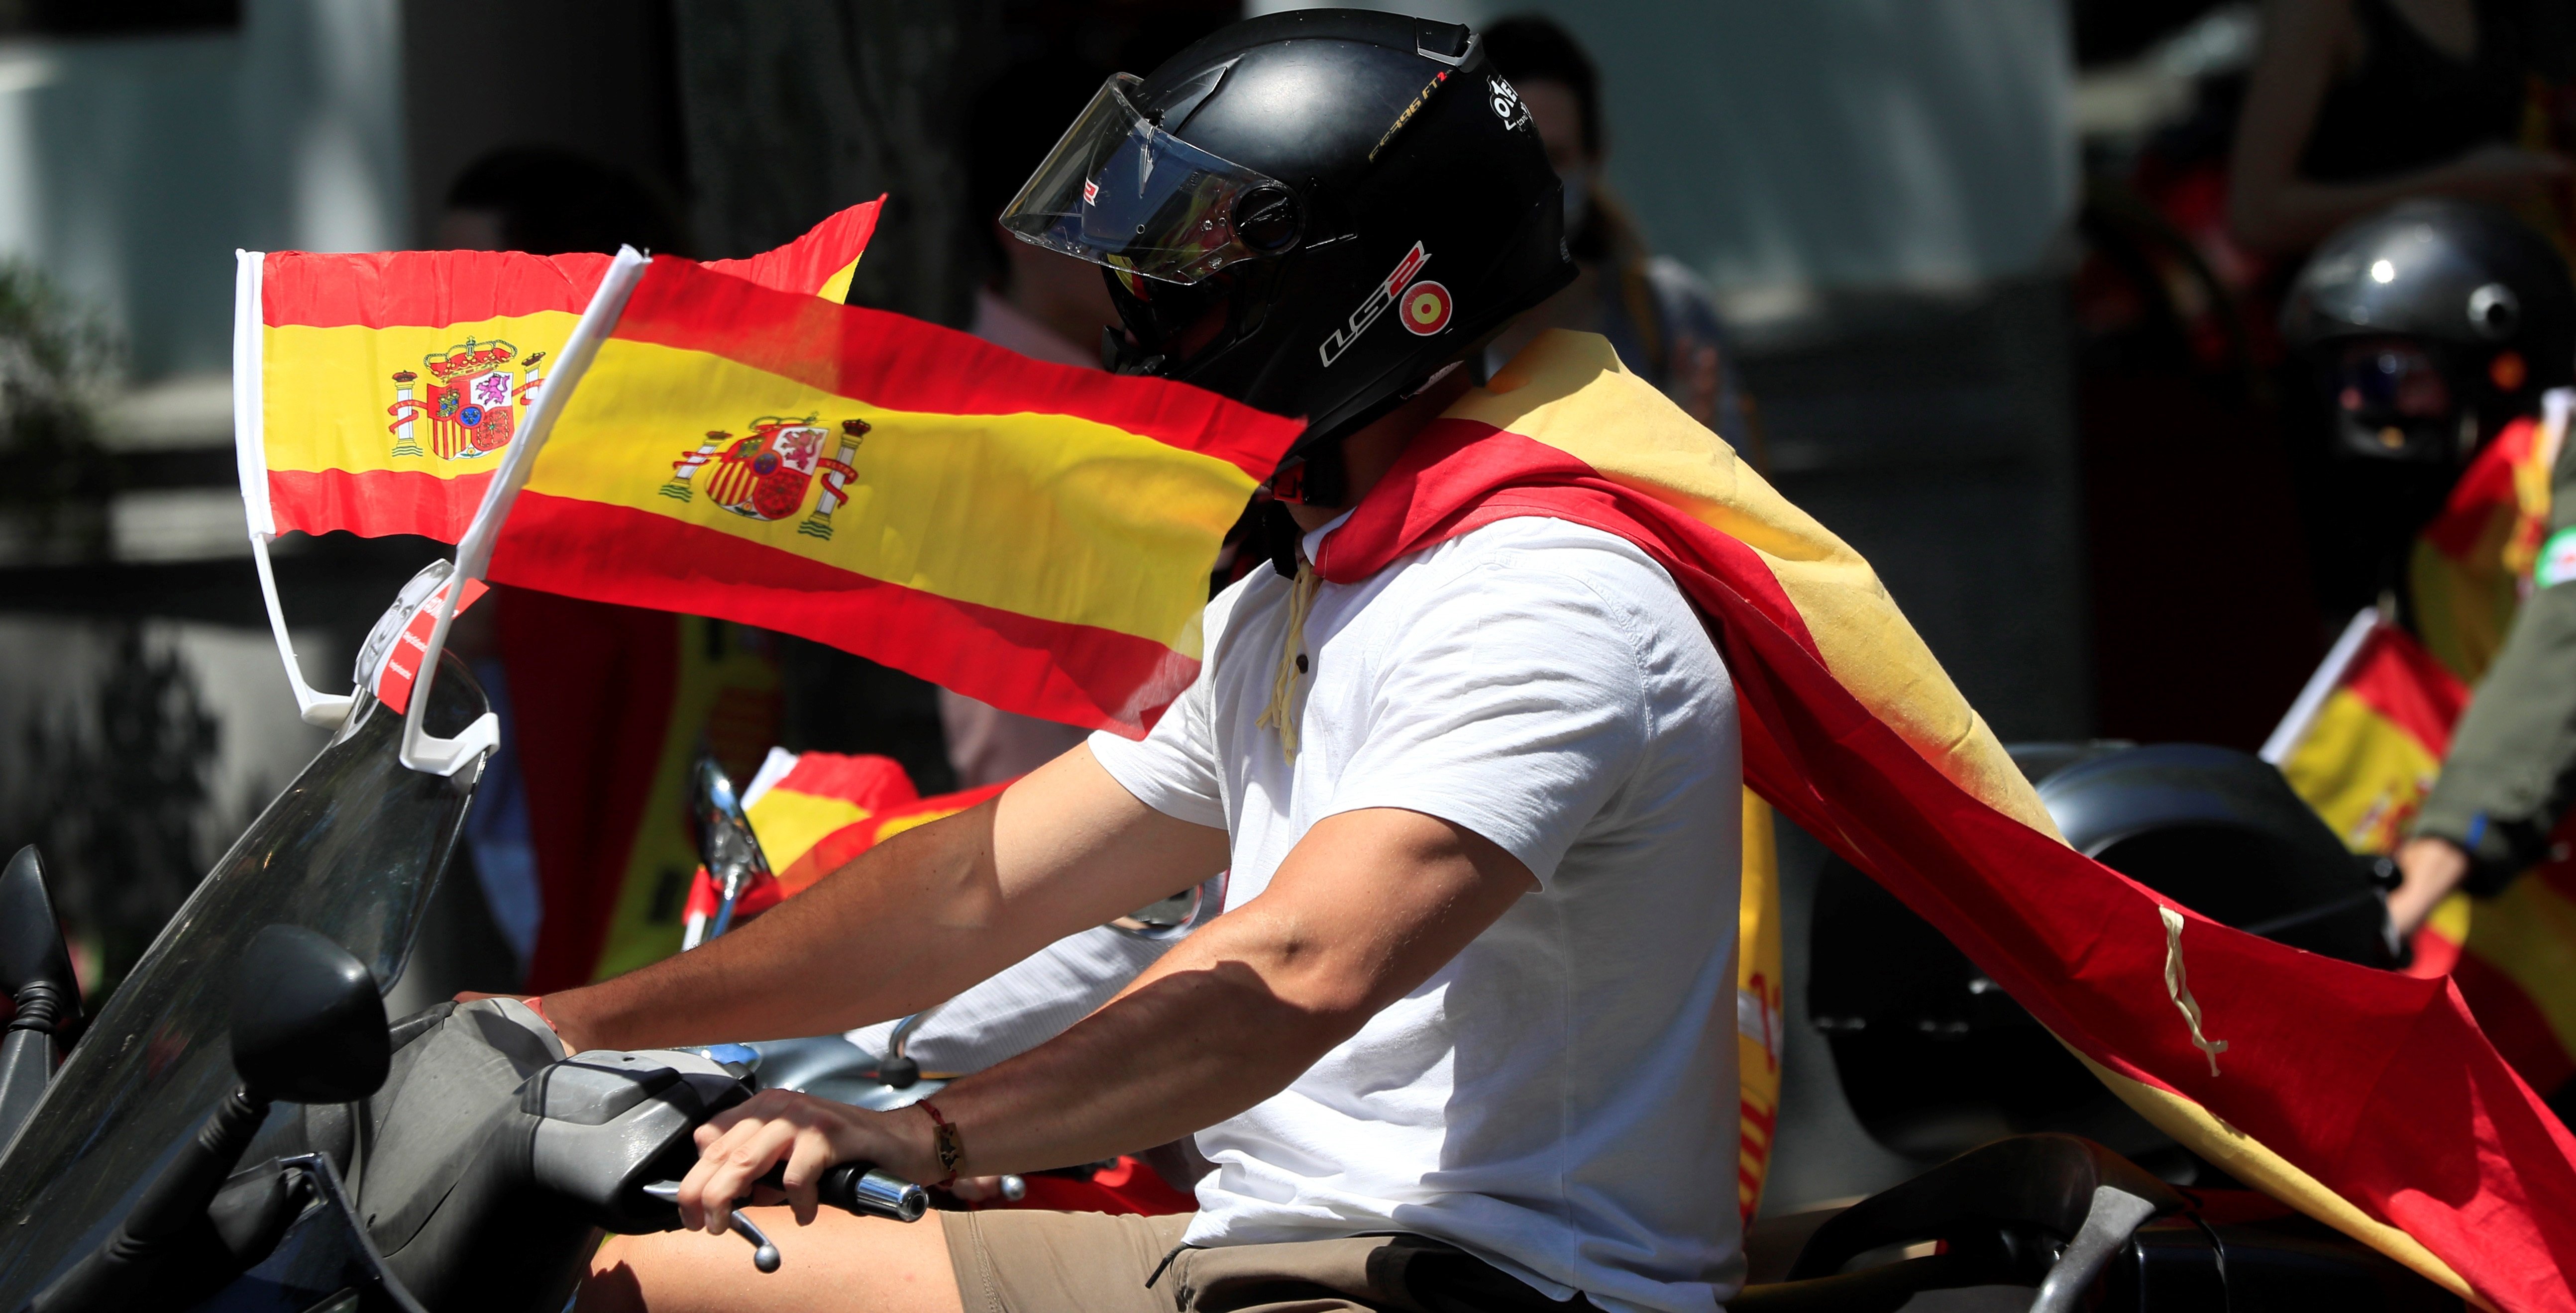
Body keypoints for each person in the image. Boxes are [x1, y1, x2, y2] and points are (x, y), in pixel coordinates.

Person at [541, 14, 1746, 1313]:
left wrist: (931, 1130)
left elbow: (1297, 966)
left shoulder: (1539, 595)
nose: (1139, 323)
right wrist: (565, 1024)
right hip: (1267, 1241)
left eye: (1188, 276)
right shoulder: (1304, 591)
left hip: (1486, 1278)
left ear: (1367, 288)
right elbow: (975, 884)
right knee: (613, 1281)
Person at [2278, 199, 2576, 935]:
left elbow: (2561, 649)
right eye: (2339, 379)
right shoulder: (2427, 548)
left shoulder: (2554, 469)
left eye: (2385, 373)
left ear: (2497, 365)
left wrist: (2430, 864)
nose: (2357, 405)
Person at [936, 62, 1129, 789]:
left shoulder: (1119, 372)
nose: (1143, 242)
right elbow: (1012, 718)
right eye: (1106, 212)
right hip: (1090, 853)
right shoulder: (992, 420)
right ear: (1020, 223)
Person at [1477, 14, 1753, 446]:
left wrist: (1697, 458)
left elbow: (1746, 502)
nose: (1534, 184)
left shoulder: (1667, 311)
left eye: (1555, 157)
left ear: (1595, 160)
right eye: (1511, 157)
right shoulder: (1428, 343)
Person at [2228, 0, 2570, 254]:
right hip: (2386, 307)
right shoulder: (2317, 11)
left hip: (2501, 279)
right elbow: (2257, 216)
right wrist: (2452, 188)